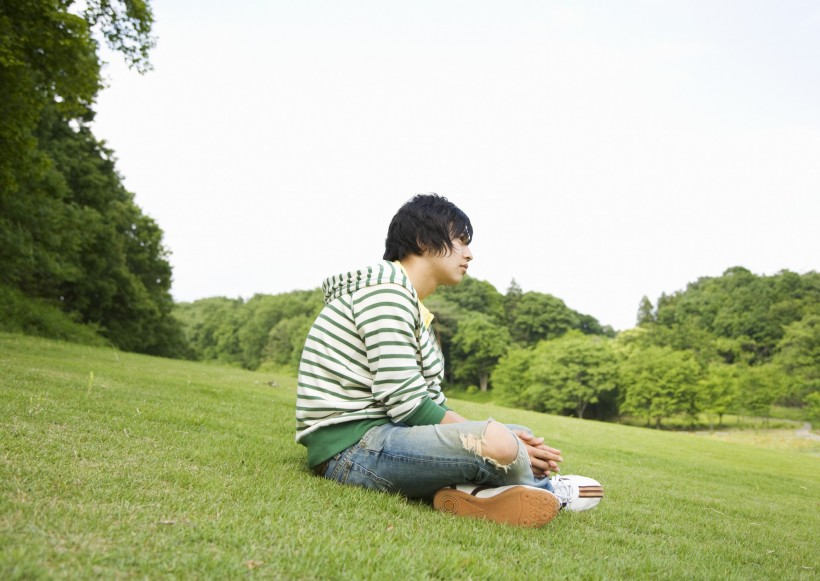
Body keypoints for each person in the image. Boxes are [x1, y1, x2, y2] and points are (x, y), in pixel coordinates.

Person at [295, 193, 603, 527]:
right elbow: (408, 403)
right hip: (351, 451)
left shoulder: (409, 303)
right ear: (423, 240)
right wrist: (495, 441)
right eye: (460, 241)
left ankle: (475, 493)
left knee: (512, 433)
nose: (469, 254)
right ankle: (544, 490)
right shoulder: (385, 294)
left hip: (385, 435)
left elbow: (430, 403)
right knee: (500, 441)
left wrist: (498, 437)